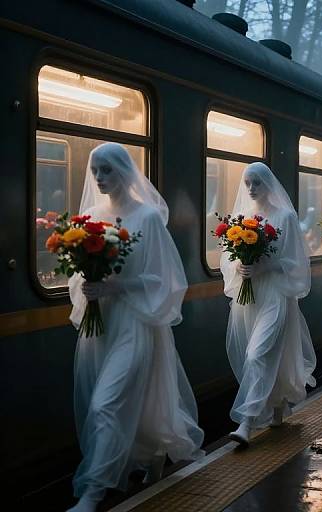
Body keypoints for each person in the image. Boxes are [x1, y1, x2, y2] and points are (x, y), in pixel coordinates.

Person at [67, 143, 204, 512]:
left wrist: (118, 286)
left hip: (135, 323)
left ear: (125, 171)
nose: (99, 178)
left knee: (104, 404)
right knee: (129, 401)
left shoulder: (146, 218)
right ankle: (157, 453)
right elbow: (78, 274)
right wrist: (87, 284)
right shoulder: (90, 218)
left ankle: (93, 492)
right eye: (95, 170)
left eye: (107, 170)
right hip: (102, 325)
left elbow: (166, 279)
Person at [220, 162, 316, 446]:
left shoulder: (285, 217)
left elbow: (295, 262)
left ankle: (247, 424)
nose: (251, 188)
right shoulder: (240, 218)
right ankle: (277, 407)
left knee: (257, 354)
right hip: (249, 297)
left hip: (276, 294)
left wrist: (265, 268)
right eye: (247, 182)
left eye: (257, 183)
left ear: (268, 184)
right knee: (272, 354)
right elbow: (228, 258)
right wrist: (240, 266)